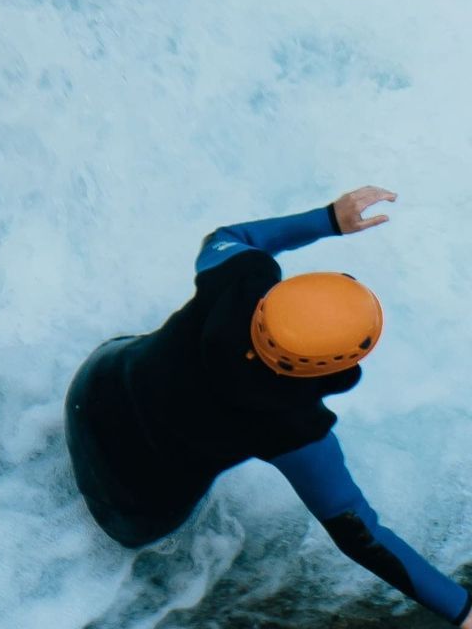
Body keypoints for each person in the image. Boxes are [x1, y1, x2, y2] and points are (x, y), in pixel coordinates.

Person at [66, 187, 467, 619]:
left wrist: (328, 219)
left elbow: (231, 235)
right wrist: (461, 608)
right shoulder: (294, 430)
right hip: (134, 502)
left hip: (94, 389)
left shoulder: (238, 278)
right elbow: (361, 535)